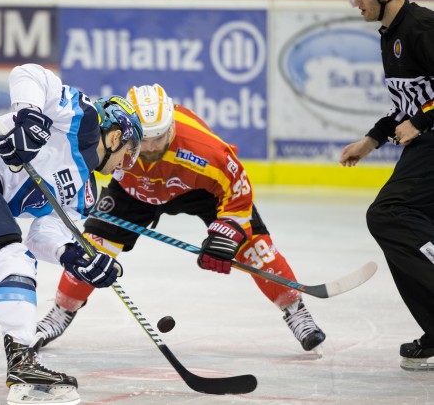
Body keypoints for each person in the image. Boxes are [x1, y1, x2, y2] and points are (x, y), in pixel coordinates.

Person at [0, 63, 144, 404]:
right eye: (129, 149)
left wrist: (72, 256)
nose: (128, 162)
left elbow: (43, 234)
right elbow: (30, 74)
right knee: (11, 258)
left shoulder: (83, 192)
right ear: (114, 136)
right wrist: (31, 118)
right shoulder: (85, 120)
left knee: (8, 261)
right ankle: (22, 361)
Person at [36, 83, 326, 355]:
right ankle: (61, 311)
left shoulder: (206, 150)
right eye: (144, 138)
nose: (150, 148)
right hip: (131, 193)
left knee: (252, 245)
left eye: (159, 138)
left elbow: (239, 191)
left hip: (197, 191)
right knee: (93, 248)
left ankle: (296, 310)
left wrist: (228, 234)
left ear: (172, 127)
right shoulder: (110, 137)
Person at [340, 0, 434, 371]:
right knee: (402, 228)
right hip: (425, 142)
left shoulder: (421, 26)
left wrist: (423, 121)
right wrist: (371, 140)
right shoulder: (389, 32)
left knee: (389, 214)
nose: (353, 1)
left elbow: (421, 112)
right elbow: (409, 103)